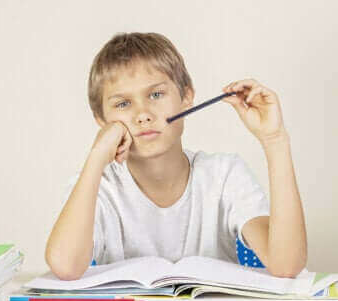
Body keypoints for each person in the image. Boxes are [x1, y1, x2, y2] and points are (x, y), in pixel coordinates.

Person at [45, 32, 307, 281]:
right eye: (123, 104)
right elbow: (65, 267)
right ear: (101, 120)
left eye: (156, 95)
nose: (143, 114)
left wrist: (274, 140)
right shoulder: (95, 187)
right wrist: (96, 158)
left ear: (186, 97)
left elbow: (286, 265)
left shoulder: (225, 175)